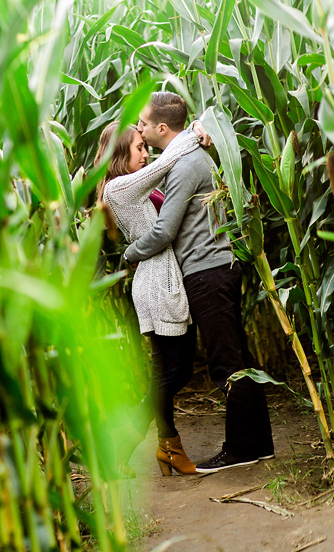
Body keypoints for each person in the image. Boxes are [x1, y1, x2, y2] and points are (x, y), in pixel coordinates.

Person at [124, 92, 274, 472]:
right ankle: (260, 444)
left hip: (207, 273)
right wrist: (199, 127)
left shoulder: (184, 165)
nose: (139, 129)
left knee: (228, 365)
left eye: (143, 124)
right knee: (241, 358)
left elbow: (163, 232)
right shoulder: (188, 155)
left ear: (161, 128)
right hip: (218, 267)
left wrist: (128, 254)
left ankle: (239, 449)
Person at [96, 121, 202, 476]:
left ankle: (135, 445)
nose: (146, 153)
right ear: (119, 153)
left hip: (160, 277)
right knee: (171, 371)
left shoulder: (128, 187)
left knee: (172, 369)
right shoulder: (117, 189)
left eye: (146, 146)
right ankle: (165, 445)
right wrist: (195, 132)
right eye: (139, 147)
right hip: (156, 282)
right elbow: (165, 165)